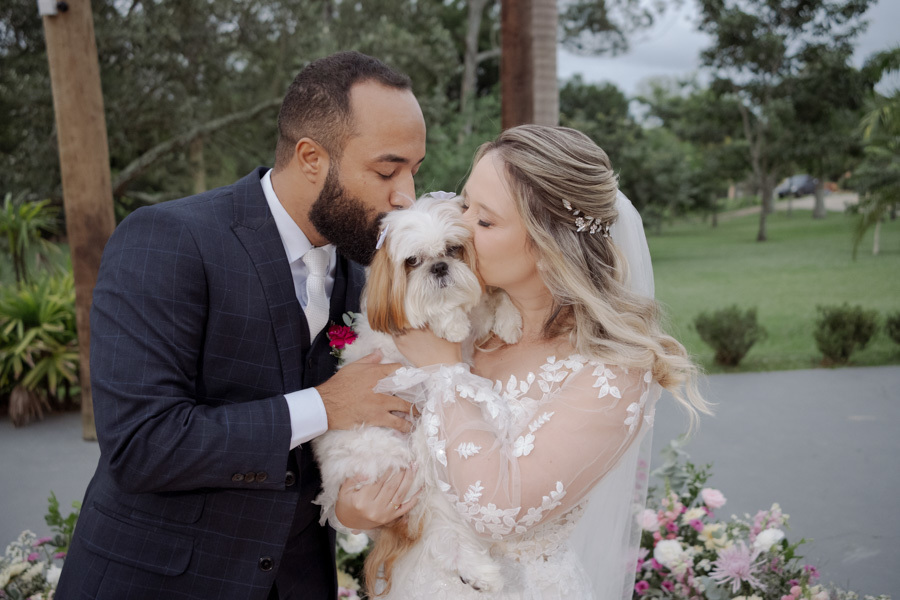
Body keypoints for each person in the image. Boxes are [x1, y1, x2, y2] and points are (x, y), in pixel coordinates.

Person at [55, 51, 425, 600]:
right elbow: (140, 443)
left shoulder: (370, 270)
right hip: (156, 583)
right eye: (386, 170)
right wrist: (326, 405)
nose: (406, 196)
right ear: (310, 157)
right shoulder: (167, 240)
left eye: (413, 171)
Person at [336, 125, 709, 599]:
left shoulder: (610, 372)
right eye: (465, 204)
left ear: (547, 241)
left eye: (485, 221)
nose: (461, 225)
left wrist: (447, 371)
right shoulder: (461, 323)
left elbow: (497, 511)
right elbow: (383, 448)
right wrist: (357, 507)